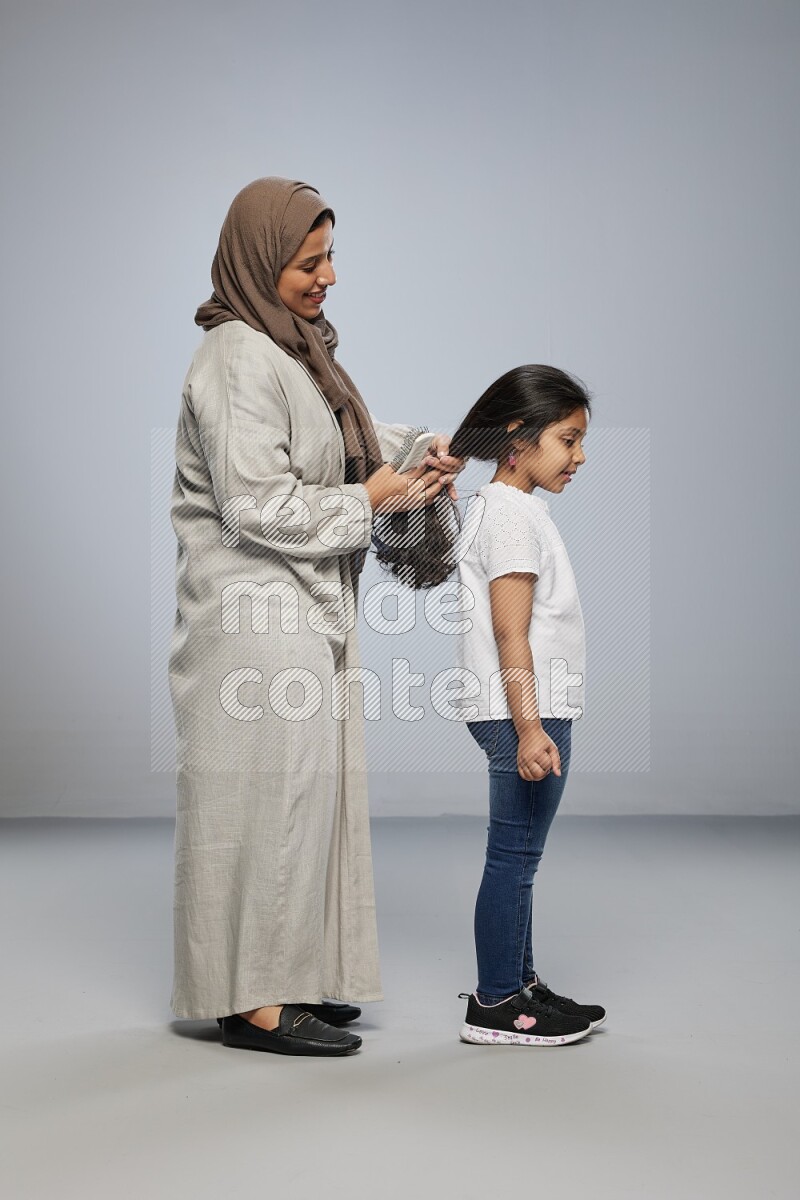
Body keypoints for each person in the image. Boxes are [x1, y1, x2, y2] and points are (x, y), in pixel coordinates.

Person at [168, 176, 463, 1057]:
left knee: (307, 800)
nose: (328, 274)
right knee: (261, 806)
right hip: (250, 620)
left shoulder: (292, 353)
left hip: (300, 610)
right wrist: (371, 500)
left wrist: (419, 453)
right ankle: (252, 1001)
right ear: (262, 262)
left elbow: (335, 445)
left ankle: (291, 975)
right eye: (309, 259)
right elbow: (256, 501)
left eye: (331, 255)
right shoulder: (235, 357)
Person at [377, 365, 606, 1045]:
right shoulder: (509, 517)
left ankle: (521, 983)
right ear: (519, 438)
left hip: (520, 709)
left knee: (520, 856)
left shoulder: (510, 509)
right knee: (514, 856)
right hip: (522, 712)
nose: (580, 456)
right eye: (568, 440)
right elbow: (512, 631)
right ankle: (498, 1001)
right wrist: (531, 725)